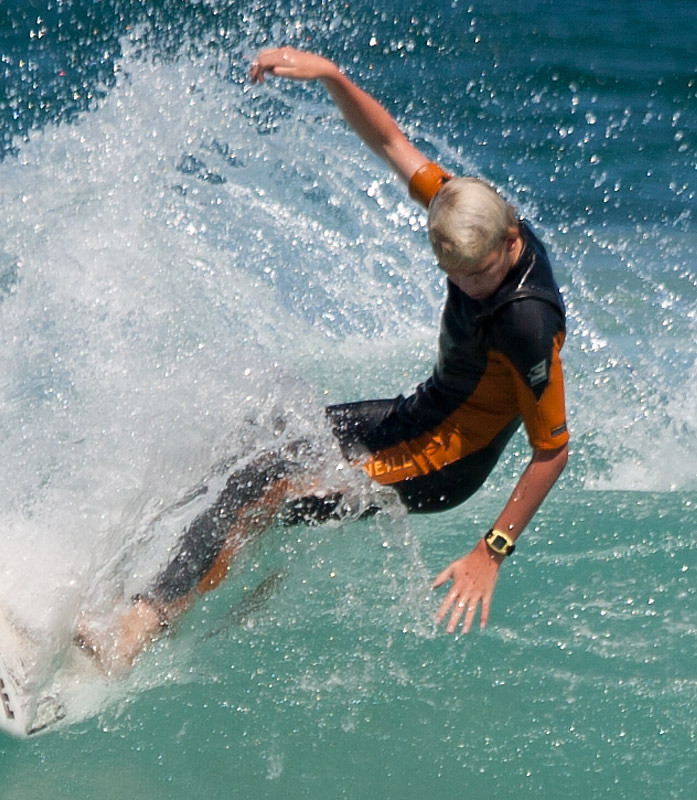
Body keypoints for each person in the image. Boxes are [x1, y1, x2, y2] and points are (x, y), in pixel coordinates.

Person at [76, 47, 570, 675]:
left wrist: (492, 550)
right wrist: (334, 78)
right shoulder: (466, 209)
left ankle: (136, 631)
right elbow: (391, 143)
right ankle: (150, 586)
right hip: (416, 413)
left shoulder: (528, 322)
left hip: (439, 463)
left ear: (509, 240)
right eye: (455, 276)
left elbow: (552, 449)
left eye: (480, 276)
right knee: (249, 444)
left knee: (258, 485)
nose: (471, 288)